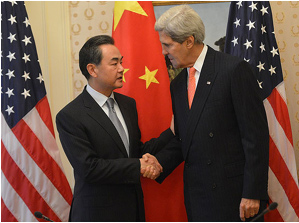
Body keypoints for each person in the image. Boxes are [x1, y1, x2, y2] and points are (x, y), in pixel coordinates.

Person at [151, 4, 269, 222]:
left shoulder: (233, 70)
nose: (163, 52)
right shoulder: (177, 85)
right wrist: (159, 163)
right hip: (198, 198)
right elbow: (186, 138)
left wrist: (253, 193)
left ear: (189, 41)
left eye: (168, 45)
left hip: (235, 198)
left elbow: (255, 137)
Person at [56, 35, 173, 222]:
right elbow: (89, 168)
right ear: (92, 70)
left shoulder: (128, 105)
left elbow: (134, 152)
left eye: (122, 62)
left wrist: (171, 133)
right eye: (114, 63)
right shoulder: (70, 115)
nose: (122, 69)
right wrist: (138, 166)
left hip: (133, 211)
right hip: (97, 215)